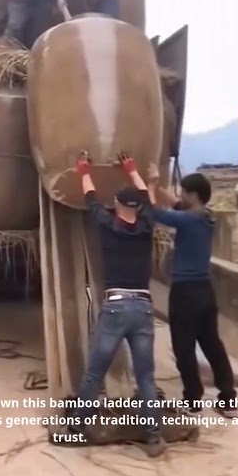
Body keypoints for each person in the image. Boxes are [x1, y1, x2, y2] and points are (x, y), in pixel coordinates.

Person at [67, 152, 166, 458]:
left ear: (119, 207)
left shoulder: (109, 227)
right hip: (143, 310)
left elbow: (92, 201)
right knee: (146, 376)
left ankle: (78, 426)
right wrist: (132, 170)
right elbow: (147, 202)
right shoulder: (147, 226)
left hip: (116, 309)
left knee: (95, 372)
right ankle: (153, 438)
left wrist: (84, 171)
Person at [122, 165, 237, 415]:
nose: (181, 196)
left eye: (184, 192)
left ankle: (193, 401)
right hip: (206, 291)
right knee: (212, 343)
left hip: (186, 293)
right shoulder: (206, 217)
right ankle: (228, 399)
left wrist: (149, 186)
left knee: (183, 346)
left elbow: (152, 212)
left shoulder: (187, 220)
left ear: (193, 194)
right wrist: (155, 182)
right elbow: (176, 204)